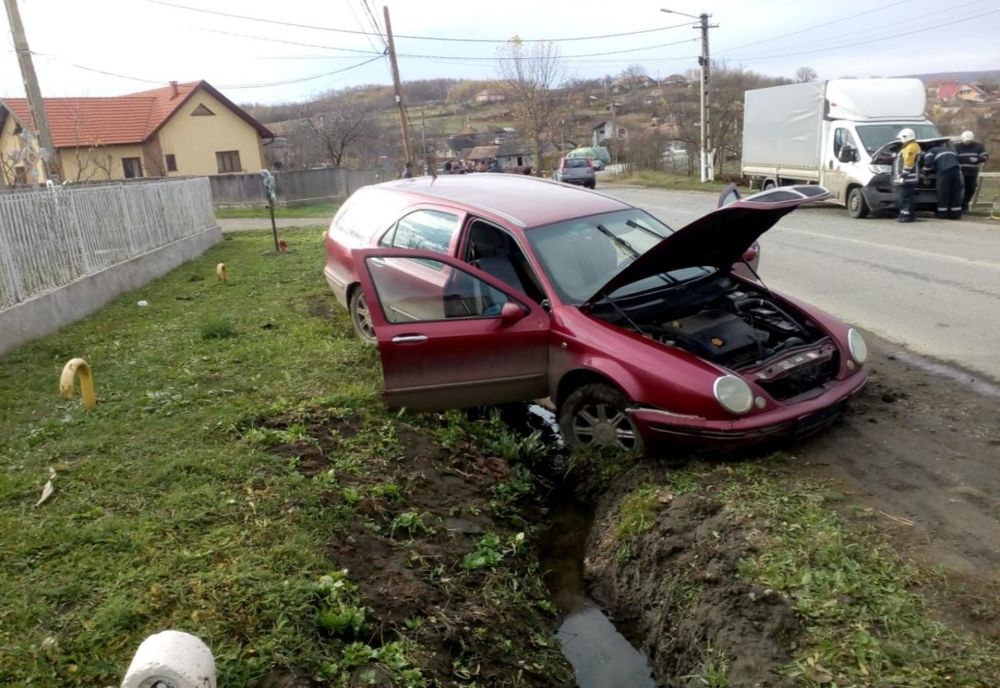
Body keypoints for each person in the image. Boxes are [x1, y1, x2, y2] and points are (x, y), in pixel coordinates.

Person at [922, 138, 964, 220]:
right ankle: (955, 215)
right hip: (956, 171)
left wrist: (925, 173)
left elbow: (928, 164)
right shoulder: (950, 150)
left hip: (944, 172)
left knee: (943, 193)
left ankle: (942, 214)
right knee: (955, 193)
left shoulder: (930, 151)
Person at [955, 130, 989, 212]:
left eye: (969, 141)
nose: (967, 143)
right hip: (960, 173)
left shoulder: (978, 146)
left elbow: (985, 157)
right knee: (958, 189)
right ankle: (959, 205)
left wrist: (977, 159)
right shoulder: (956, 147)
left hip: (972, 173)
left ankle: (965, 204)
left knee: (971, 189)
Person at [893, 128, 921, 222]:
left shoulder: (910, 147)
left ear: (906, 137)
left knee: (905, 198)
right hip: (910, 177)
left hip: (908, 178)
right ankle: (909, 215)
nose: (901, 140)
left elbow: (909, 163)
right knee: (908, 197)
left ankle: (906, 216)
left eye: (901, 138)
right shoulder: (912, 146)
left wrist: (903, 176)